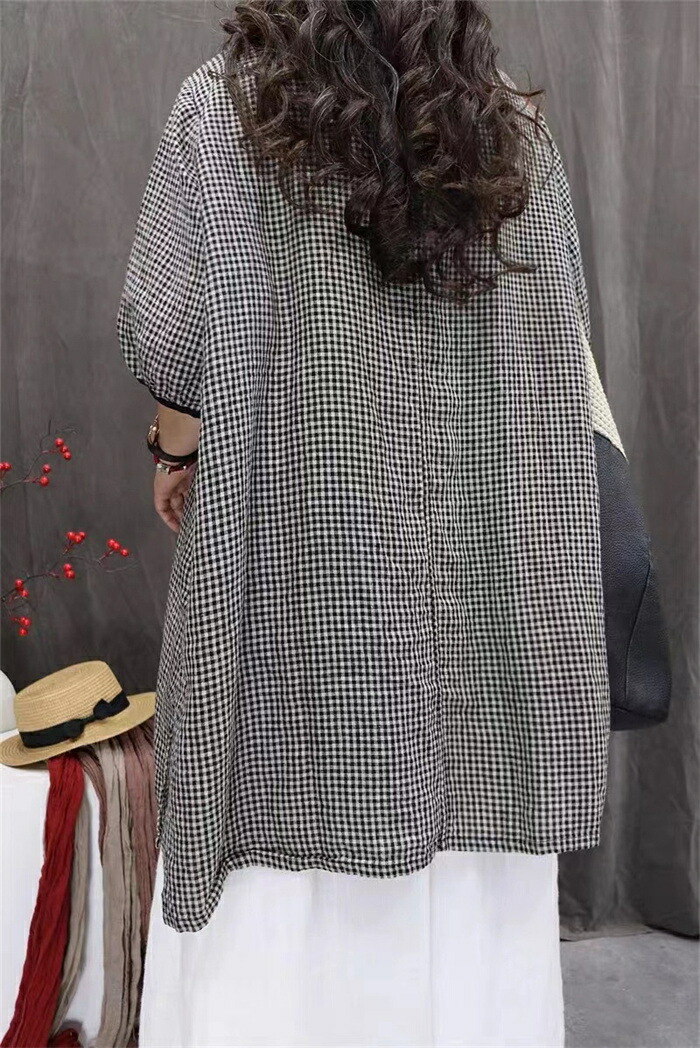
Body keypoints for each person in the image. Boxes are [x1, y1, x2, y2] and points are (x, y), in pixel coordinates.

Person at [116, 2, 613, 1044]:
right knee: (476, 846)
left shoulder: (223, 112)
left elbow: (173, 338)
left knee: (275, 821)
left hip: (299, 575)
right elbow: (560, 343)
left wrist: (175, 452)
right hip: (490, 577)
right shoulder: (511, 129)